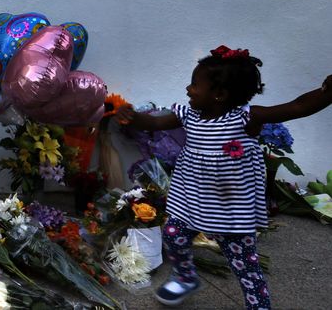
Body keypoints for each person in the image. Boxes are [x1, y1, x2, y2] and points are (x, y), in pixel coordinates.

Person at [116, 45, 332, 309]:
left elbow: (297, 106)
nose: (188, 89)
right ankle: (185, 278)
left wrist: (326, 94)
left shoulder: (246, 119)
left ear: (219, 94)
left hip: (231, 209)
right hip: (192, 198)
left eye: (195, 84)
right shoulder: (188, 115)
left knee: (245, 264)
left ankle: (258, 304)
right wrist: (133, 117)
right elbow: (155, 123)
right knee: (173, 234)